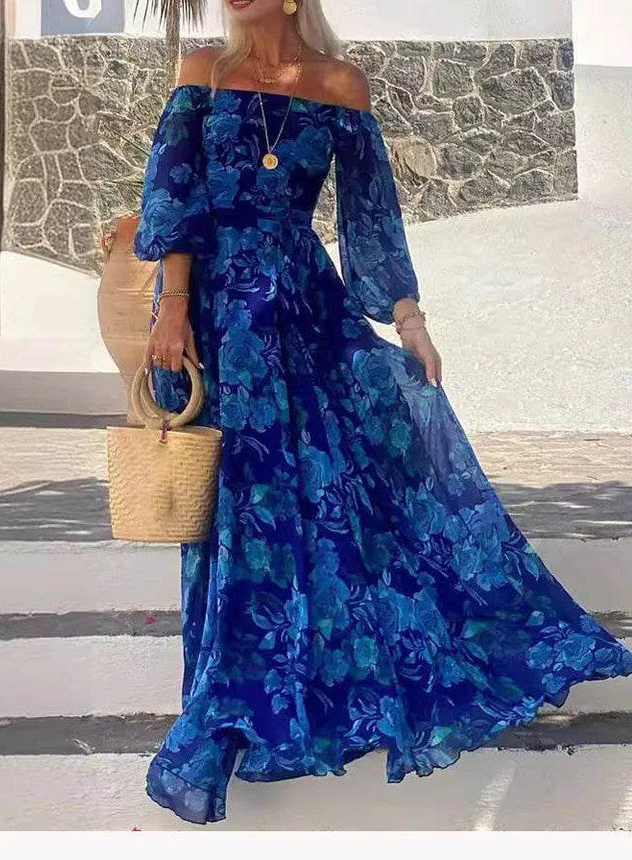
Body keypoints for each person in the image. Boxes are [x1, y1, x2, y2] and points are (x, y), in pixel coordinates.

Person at [133, 0, 632, 827]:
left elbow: (370, 216)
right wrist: (172, 308)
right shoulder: (201, 74)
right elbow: (173, 200)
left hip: (304, 308)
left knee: (352, 476)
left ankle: (369, 663)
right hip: (219, 319)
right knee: (241, 502)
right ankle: (240, 694)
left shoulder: (339, 85)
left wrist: (409, 321)